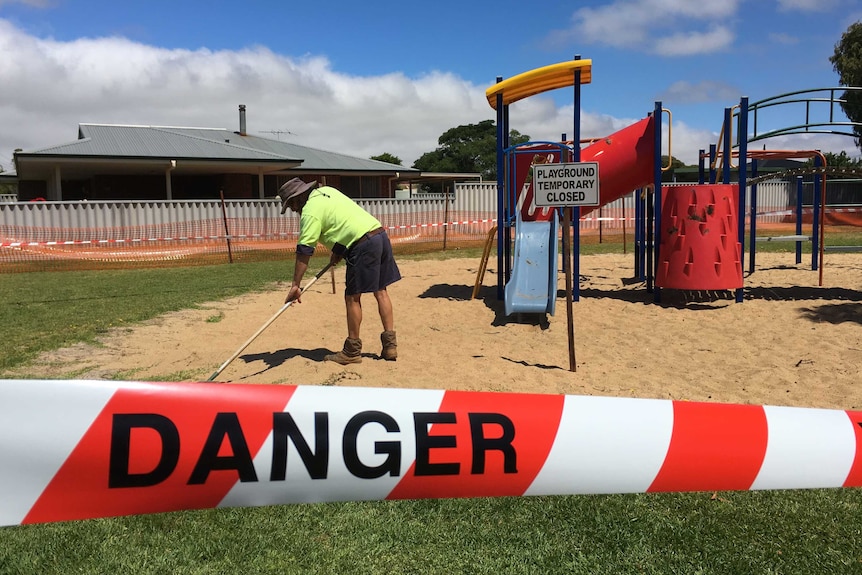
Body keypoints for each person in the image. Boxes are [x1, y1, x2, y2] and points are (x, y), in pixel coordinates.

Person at [278, 177, 400, 364]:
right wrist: (337, 251)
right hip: (379, 235)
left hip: (362, 245)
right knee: (381, 290)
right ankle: (390, 346)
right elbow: (343, 220)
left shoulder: (310, 212)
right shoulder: (328, 192)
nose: (293, 210)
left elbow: (304, 251)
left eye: (291, 205)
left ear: (298, 198)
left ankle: (352, 351)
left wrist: (296, 285)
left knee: (352, 297)